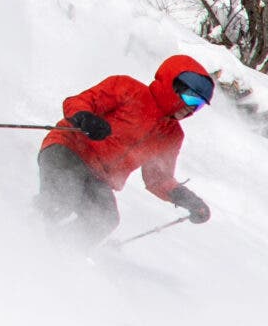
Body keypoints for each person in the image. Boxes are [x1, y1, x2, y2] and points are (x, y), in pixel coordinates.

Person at [36, 53, 215, 245]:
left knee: (105, 218)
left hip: (99, 178)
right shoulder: (128, 89)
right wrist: (85, 118)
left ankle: (60, 248)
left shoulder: (171, 135)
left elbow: (158, 179)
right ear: (174, 87)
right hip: (69, 149)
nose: (191, 109)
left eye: (199, 106)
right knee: (62, 198)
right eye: (191, 99)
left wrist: (187, 199)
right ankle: (26, 225)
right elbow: (80, 102)